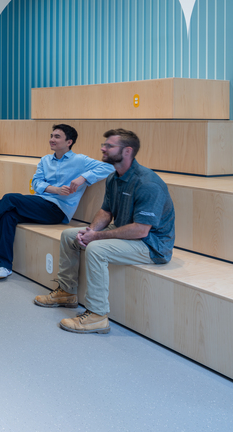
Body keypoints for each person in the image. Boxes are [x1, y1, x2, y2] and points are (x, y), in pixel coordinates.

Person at [34, 129, 175, 334]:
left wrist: (97, 237)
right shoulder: (114, 177)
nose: (103, 148)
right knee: (69, 236)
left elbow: (141, 230)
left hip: (152, 244)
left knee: (97, 249)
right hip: (125, 231)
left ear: (127, 151)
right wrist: (90, 231)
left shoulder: (148, 183)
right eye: (104, 144)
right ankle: (66, 292)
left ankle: (97, 316)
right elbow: (106, 211)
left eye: (109, 146)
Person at [0, 124, 114, 279]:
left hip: (57, 210)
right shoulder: (45, 160)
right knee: (8, 216)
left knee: (10, 198)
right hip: (41, 203)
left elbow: (110, 168)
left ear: (69, 142)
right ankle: (4, 266)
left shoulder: (80, 160)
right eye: (51, 136)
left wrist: (83, 178)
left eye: (57, 137)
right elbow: (36, 184)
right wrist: (55, 189)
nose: (52, 139)